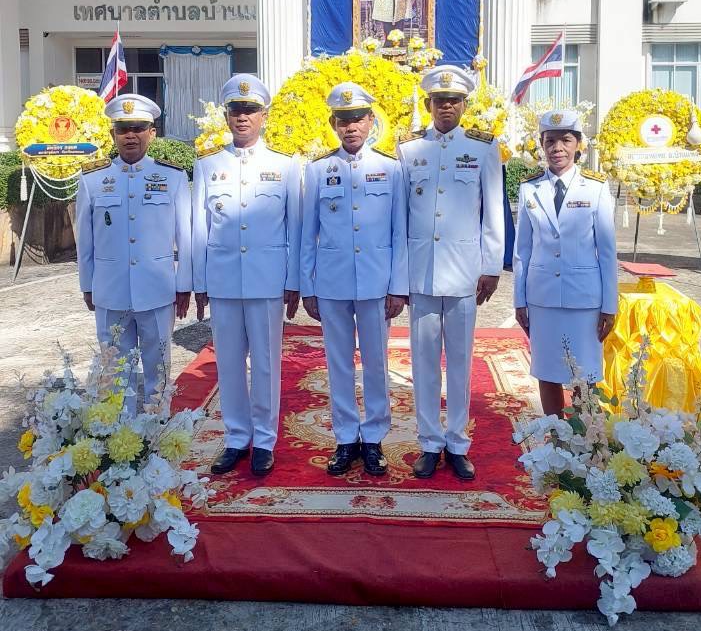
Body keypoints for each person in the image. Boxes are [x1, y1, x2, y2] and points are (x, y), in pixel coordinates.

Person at [398, 65, 505, 480]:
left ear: (464, 105)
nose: (446, 107)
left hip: (464, 271)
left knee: (459, 361)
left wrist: (491, 266)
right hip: (421, 271)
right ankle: (429, 442)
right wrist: (400, 275)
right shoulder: (409, 150)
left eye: (454, 101)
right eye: (439, 101)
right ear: (428, 104)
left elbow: (494, 212)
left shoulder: (482, 147)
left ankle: (457, 442)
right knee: (423, 361)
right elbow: (401, 216)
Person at [192, 74, 301, 477]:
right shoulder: (207, 166)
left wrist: (293, 281)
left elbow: (295, 228)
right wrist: (199, 282)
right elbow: (197, 229)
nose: (243, 117)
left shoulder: (285, 167)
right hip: (222, 279)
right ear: (225, 116)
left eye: (250, 110)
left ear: (264, 116)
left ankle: (265, 440)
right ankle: (237, 437)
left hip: (266, 279)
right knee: (230, 363)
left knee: (267, 363)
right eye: (236, 110)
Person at [301, 83, 408, 476]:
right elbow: (305, 234)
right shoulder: (316, 170)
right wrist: (308, 285)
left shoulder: (390, 169)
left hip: (377, 282)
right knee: (339, 363)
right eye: (343, 120)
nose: (350, 127)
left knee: (377, 362)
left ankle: (375, 437)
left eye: (357, 119)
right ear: (332, 123)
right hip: (331, 283)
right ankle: (346, 437)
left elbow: (399, 233)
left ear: (370, 121)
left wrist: (399, 284)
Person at [76, 94, 191, 411]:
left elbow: (187, 237)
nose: (131, 135)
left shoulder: (173, 177)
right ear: (113, 133)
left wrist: (184, 285)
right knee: (114, 373)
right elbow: (84, 239)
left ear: (152, 133)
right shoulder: (93, 179)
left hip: (157, 290)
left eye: (138, 127)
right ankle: (120, 444)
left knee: (159, 371)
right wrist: (88, 284)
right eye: (123, 128)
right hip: (110, 290)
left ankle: (158, 439)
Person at [513, 110, 618, 416]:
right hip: (542, 297)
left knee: (583, 375)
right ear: (542, 145)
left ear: (578, 145)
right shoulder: (529, 188)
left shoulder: (596, 188)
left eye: (565, 140)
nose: (557, 147)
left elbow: (607, 251)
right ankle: (555, 438)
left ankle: (585, 443)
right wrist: (520, 300)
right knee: (547, 371)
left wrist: (609, 305)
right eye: (550, 141)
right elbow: (523, 250)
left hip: (584, 298)